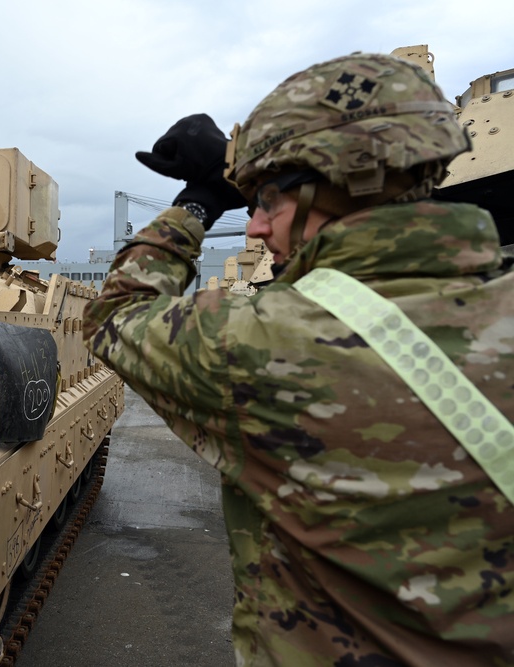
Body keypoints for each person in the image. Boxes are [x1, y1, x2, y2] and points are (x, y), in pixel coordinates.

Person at [84, 52, 514, 666]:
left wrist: (199, 201)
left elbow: (114, 316)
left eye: (268, 201)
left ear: (347, 184)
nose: (256, 227)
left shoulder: (266, 343)